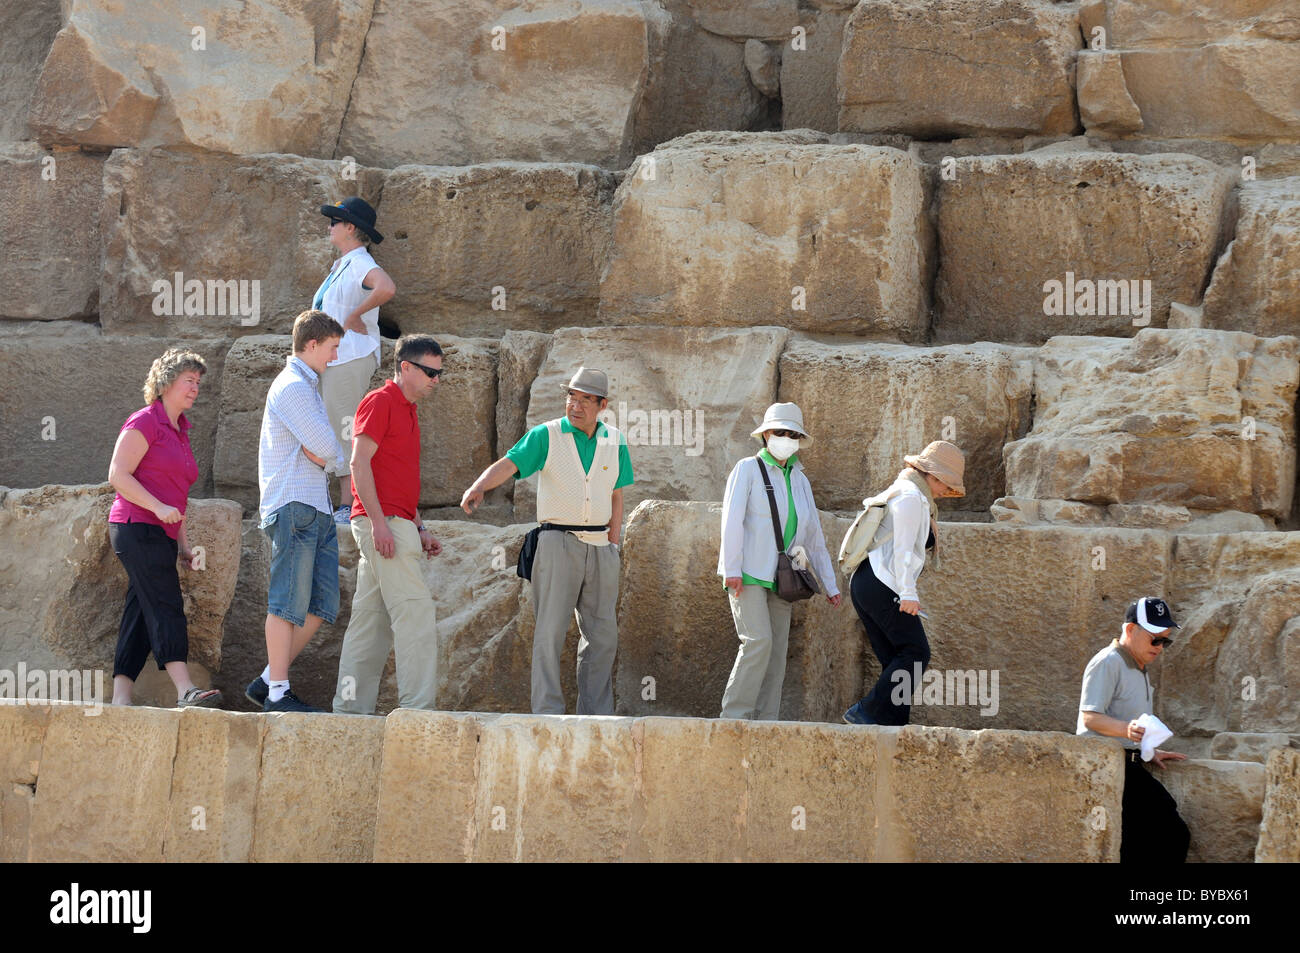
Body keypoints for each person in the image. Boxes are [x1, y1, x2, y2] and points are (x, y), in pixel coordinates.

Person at [459, 367, 633, 715]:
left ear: (603, 405)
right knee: (549, 634)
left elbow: (617, 493)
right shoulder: (546, 435)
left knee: (603, 639)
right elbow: (509, 464)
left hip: (601, 548)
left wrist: (613, 541)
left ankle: (596, 715)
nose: (576, 405)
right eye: (571, 396)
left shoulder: (615, 439)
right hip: (556, 543)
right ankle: (547, 713)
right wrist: (479, 486)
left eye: (585, 399)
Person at [332, 335, 444, 714]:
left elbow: (396, 479)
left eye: (439, 373)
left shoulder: (409, 410)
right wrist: (379, 524)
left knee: (370, 625)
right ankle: (417, 711)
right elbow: (358, 464)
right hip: (384, 526)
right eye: (430, 372)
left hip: (397, 523)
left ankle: (348, 713)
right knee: (416, 614)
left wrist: (420, 526)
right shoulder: (380, 402)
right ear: (406, 367)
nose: (436, 379)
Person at [106, 348, 222, 708]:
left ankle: (121, 698)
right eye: (189, 381)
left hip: (162, 533)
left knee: (141, 611)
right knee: (167, 603)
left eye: (198, 383)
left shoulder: (181, 431)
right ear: (166, 382)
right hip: (135, 526)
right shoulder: (144, 422)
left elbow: (178, 497)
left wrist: (183, 545)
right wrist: (157, 507)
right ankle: (186, 689)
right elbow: (117, 475)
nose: (195, 389)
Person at [245, 310, 348, 713]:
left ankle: (268, 681)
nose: (335, 357)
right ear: (311, 345)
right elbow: (328, 447)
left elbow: (326, 450)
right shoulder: (292, 387)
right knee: (286, 603)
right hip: (293, 506)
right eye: (333, 348)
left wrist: (326, 455)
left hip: (314, 507)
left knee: (322, 606)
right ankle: (277, 695)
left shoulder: (306, 387)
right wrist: (327, 456)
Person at [717, 402, 841, 720]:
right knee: (757, 641)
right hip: (747, 573)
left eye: (792, 434)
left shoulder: (800, 480)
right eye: (780, 432)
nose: (786, 438)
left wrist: (830, 584)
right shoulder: (747, 469)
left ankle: (765, 721)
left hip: (784, 578)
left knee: (776, 652)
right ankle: (734, 717)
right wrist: (731, 569)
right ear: (766, 434)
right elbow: (731, 521)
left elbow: (812, 536)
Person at [843, 441, 965, 726]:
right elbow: (903, 550)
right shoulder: (911, 497)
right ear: (933, 476)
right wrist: (908, 593)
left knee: (896, 660)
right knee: (916, 652)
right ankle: (865, 711)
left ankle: (894, 725)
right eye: (946, 486)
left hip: (868, 583)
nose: (946, 493)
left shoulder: (909, 493)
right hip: (882, 583)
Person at [1077, 596, 1190, 863]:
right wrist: (1127, 730)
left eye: (1165, 641)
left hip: (1131, 763)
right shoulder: (1108, 662)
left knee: (1142, 842)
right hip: (1110, 766)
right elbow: (1090, 718)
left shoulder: (1139, 667)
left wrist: (1149, 750)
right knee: (1171, 835)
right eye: (1155, 639)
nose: (1160, 647)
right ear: (1130, 630)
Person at [314, 196, 396, 526]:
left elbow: (387, 287)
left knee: (344, 428)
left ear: (350, 228)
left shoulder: (360, 262)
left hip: (349, 357)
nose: (329, 226)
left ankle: (348, 506)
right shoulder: (342, 263)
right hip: (333, 359)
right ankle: (340, 504)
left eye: (335, 221)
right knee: (333, 427)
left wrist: (355, 314)